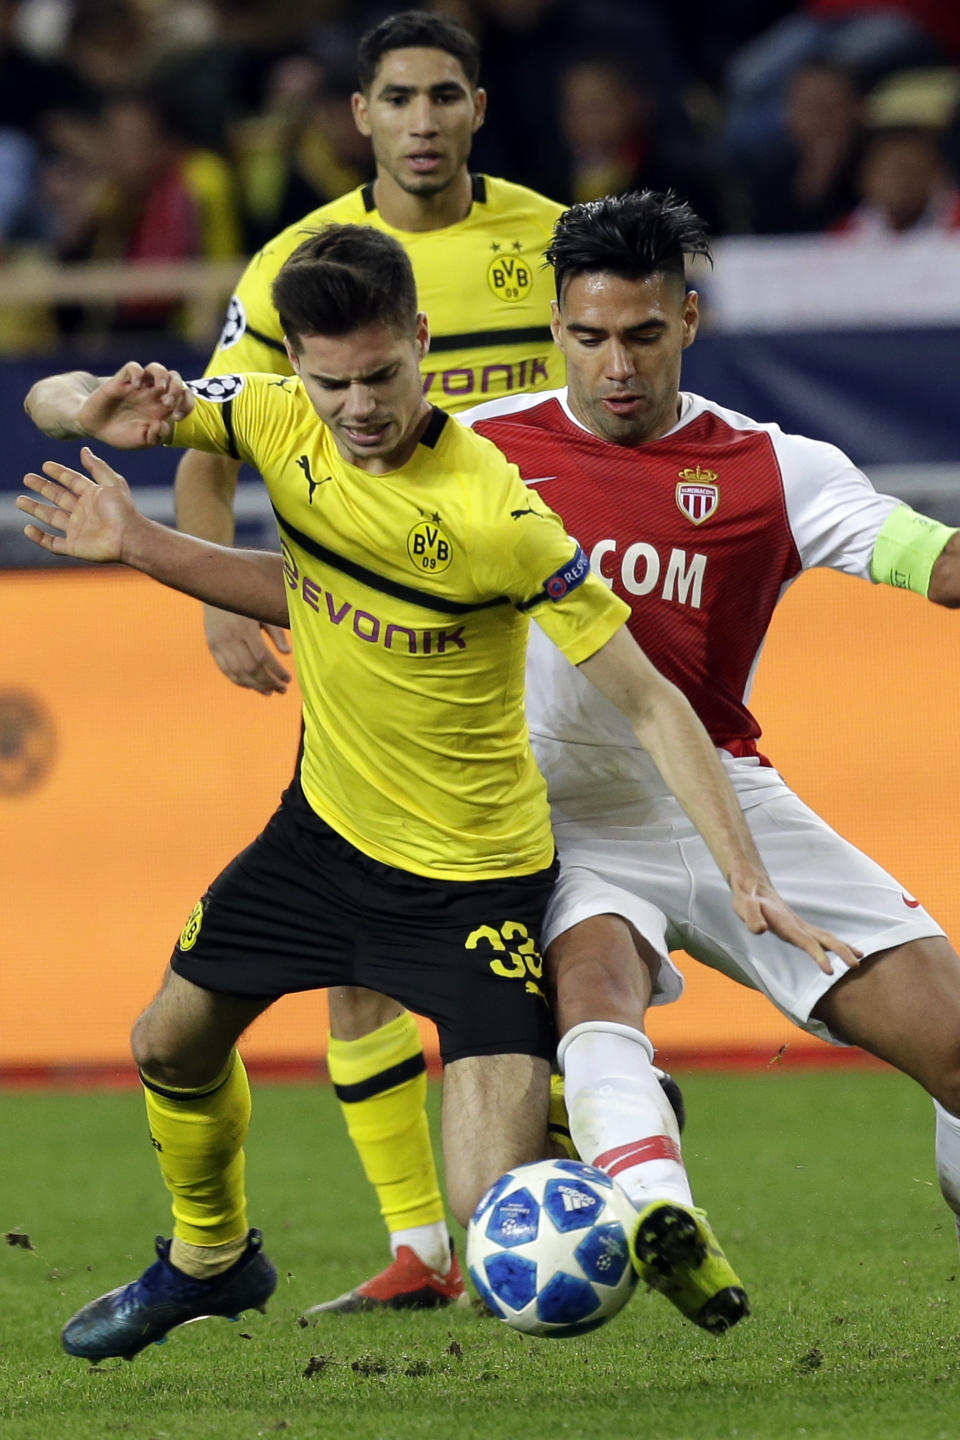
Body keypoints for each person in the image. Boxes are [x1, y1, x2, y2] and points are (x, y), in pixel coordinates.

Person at [20, 224, 854, 1360]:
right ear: (296, 372)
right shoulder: (269, 412)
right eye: (331, 383)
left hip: (475, 882)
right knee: (165, 1045)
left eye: (380, 376)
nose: (357, 407)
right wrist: (92, 402)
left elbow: (655, 700)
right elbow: (75, 417)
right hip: (322, 839)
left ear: (420, 342)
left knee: (491, 1213)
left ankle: (588, 1118)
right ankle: (209, 1257)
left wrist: (745, 877)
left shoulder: (497, 513)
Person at [447, 190, 960, 1282]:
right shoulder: (480, 453)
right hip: (557, 818)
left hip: (723, 796)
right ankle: (660, 1217)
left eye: (641, 335)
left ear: (688, 320)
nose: (615, 366)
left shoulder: (775, 468)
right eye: (589, 338)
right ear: (557, 329)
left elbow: (932, 561)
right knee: (594, 981)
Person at [174, 7, 569, 1315]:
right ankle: (428, 1247)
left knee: (579, 916)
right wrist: (216, 597)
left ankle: (583, 1117)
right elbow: (207, 426)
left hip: (548, 626)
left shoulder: (552, 241)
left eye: (443, 95)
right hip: (388, 648)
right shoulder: (303, 263)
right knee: (356, 955)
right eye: (397, 97)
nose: (421, 120)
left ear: (476, 108)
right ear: (360, 114)